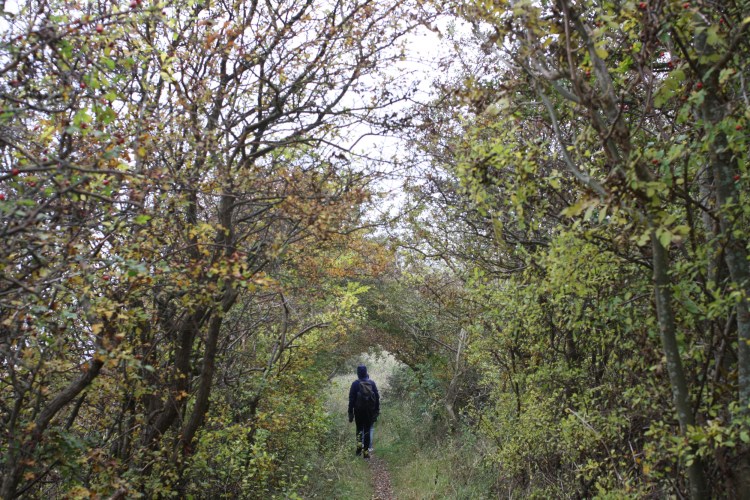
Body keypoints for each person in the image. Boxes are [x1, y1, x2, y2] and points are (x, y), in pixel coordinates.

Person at [348, 364, 379, 459]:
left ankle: (358, 450)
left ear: (358, 373)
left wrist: (350, 412)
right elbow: (377, 398)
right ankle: (366, 453)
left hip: (358, 411)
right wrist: (377, 411)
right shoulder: (372, 383)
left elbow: (351, 399)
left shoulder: (355, 384)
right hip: (369, 411)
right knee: (367, 430)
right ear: (366, 372)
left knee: (359, 430)